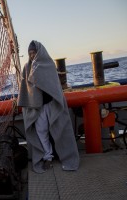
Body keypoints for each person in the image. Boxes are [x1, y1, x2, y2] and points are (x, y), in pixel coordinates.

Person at [17, 40, 79, 173]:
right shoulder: (27, 67)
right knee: (41, 132)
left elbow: (53, 84)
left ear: (40, 52)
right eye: (30, 53)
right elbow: (25, 86)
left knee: (60, 130)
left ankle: (67, 157)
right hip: (38, 107)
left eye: (34, 52)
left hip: (52, 104)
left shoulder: (49, 65)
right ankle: (47, 156)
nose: (32, 55)